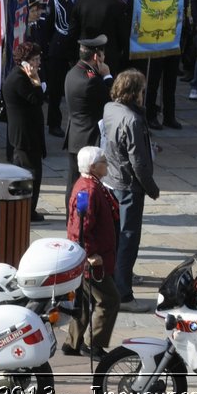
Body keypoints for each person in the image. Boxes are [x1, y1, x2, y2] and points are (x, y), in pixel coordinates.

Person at [101, 69, 160, 306]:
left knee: (115, 237)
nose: (144, 95)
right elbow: (139, 162)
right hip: (128, 186)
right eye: (142, 91)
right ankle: (123, 293)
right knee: (128, 239)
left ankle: (114, 281)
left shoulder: (110, 108)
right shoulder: (133, 119)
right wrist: (152, 188)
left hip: (112, 179)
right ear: (134, 93)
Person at [64, 146, 119, 360]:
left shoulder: (91, 185)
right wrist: (90, 255)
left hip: (94, 257)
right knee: (109, 299)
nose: (107, 164)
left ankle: (72, 343)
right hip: (93, 261)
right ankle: (95, 345)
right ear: (93, 167)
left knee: (86, 298)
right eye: (104, 161)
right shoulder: (88, 190)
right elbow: (81, 227)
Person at [2, 41, 49, 220]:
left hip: (24, 134)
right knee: (31, 174)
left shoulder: (18, 76)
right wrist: (36, 82)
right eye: (35, 60)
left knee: (22, 172)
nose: (38, 63)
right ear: (26, 62)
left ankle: (22, 209)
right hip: (26, 136)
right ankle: (28, 212)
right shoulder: (21, 79)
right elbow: (37, 99)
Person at [63, 34, 112, 191]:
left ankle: (71, 215)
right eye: (103, 55)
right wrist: (107, 76)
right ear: (97, 56)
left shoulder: (73, 73)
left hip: (74, 136)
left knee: (73, 182)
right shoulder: (93, 80)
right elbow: (113, 99)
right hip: (88, 138)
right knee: (87, 185)